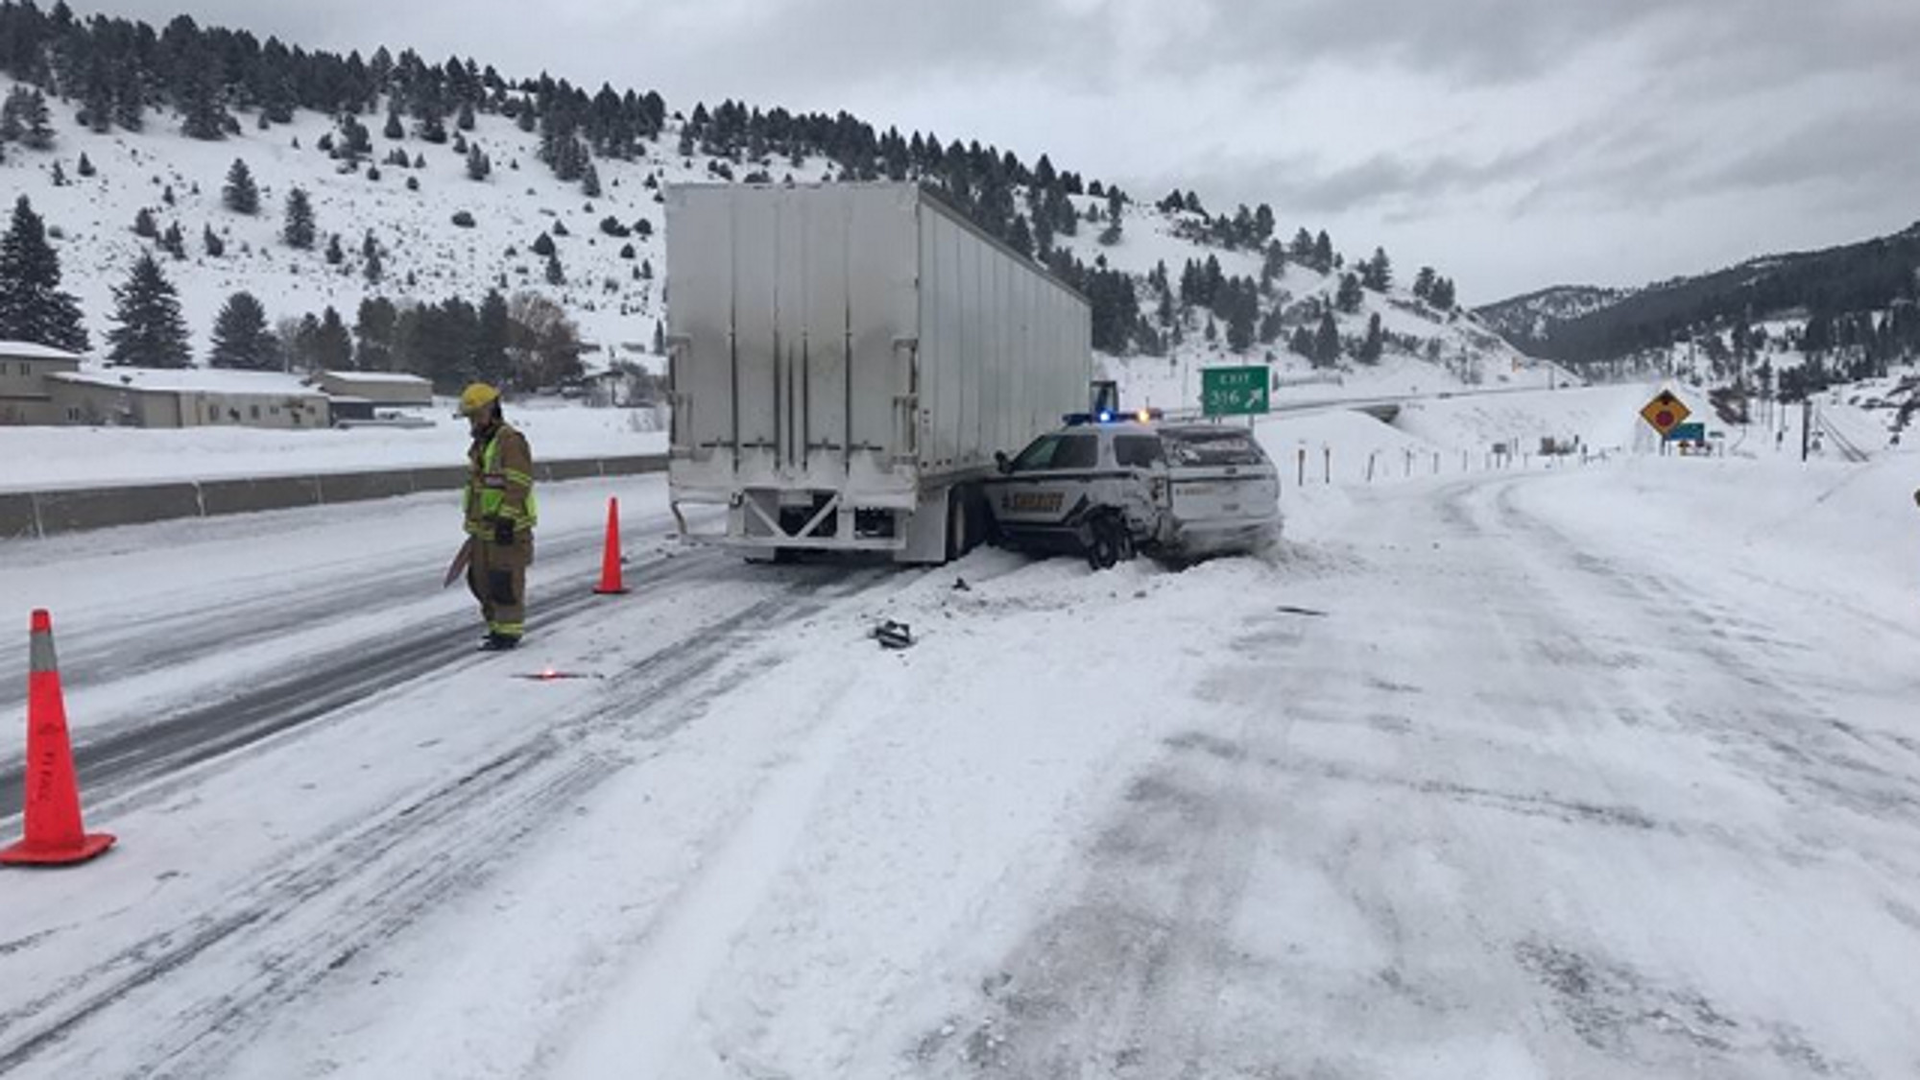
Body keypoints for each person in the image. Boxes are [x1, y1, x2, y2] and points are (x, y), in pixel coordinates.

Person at [459, 383, 537, 650]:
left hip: (508, 529)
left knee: (504, 582)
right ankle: (495, 627)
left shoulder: (510, 441)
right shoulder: (482, 444)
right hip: (483, 529)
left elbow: (519, 482)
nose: (473, 421)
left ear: (492, 410)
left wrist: (507, 517)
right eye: (470, 417)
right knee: (480, 580)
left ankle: (508, 632)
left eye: (477, 415)